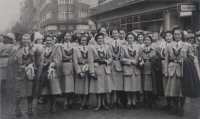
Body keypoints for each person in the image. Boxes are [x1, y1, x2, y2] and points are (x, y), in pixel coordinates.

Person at [164, 27, 196, 116]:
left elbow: (192, 57)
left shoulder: (187, 45)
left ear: (181, 35)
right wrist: (166, 71)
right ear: (173, 35)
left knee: (182, 91)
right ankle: (175, 107)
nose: (177, 36)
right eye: (175, 34)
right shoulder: (169, 46)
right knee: (173, 90)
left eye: (178, 34)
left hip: (183, 70)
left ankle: (181, 108)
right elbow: (166, 60)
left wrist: (182, 61)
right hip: (172, 70)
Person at [8, 34, 36, 116]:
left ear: (30, 40)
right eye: (24, 39)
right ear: (20, 40)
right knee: (19, 92)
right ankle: (17, 109)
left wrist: (31, 65)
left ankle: (30, 108)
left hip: (30, 73)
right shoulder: (15, 50)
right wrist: (21, 66)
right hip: (19, 74)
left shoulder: (33, 49)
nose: (26, 41)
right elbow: (11, 62)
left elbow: (36, 61)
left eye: (27, 39)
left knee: (30, 92)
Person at [36, 35, 62, 113]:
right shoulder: (41, 49)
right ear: (45, 41)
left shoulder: (56, 49)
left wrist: (53, 64)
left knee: (53, 89)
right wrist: (42, 64)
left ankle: (53, 105)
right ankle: (48, 104)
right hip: (44, 71)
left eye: (50, 40)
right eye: (47, 40)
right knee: (45, 89)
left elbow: (58, 58)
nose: (49, 42)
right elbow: (38, 59)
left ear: (53, 41)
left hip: (53, 71)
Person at [89, 33, 112, 111]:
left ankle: (103, 103)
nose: (100, 40)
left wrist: (106, 61)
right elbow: (90, 61)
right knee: (98, 88)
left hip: (105, 69)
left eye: (102, 38)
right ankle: (98, 104)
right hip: (97, 69)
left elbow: (110, 58)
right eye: (99, 38)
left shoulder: (107, 47)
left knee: (105, 87)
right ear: (96, 39)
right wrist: (92, 72)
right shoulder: (92, 48)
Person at [121, 32, 143, 109]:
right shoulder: (123, 47)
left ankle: (134, 101)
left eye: (131, 38)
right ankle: (128, 101)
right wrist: (131, 61)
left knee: (135, 86)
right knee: (128, 87)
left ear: (134, 38)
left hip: (136, 69)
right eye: (128, 38)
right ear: (126, 39)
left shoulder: (139, 46)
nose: (130, 39)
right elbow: (122, 58)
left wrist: (139, 61)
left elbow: (141, 56)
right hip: (128, 68)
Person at [73, 35, 95, 110]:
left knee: (88, 87)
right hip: (80, 68)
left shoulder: (90, 48)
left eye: (85, 40)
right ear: (79, 41)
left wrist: (91, 72)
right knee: (81, 87)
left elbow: (91, 60)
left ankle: (87, 103)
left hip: (88, 69)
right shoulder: (76, 49)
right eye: (82, 40)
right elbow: (75, 62)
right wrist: (79, 72)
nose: (84, 41)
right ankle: (82, 103)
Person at [141, 35, 160, 109]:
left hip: (152, 69)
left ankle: (153, 101)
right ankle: (147, 101)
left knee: (153, 85)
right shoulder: (142, 49)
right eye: (145, 39)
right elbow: (139, 57)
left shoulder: (155, 48)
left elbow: (159, 57)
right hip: (145, 68)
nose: (146, 41)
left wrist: (154, 59)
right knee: (146, 85)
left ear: (151, 41)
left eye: (148, 40)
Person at [60, 31, 77, 111]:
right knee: (65, 85)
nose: (67, 37)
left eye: (68, 36)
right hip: (65, 66)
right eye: (66, 36)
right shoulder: (60, 46)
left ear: (71, 37)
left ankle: (71, 102)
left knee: (72, 85)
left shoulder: (75, 46)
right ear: (63, 37)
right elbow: (60, 57)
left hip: (73, 66)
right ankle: (65, 102)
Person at [108, 28, 124, 108]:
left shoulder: (123, 42)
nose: (115, 34)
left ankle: (118, 100)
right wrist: (112, 57)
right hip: (111, 65)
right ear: (111, 34)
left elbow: (123, 53)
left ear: (118, 34)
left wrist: (118, 57)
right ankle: (111, 101)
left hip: (119, 65)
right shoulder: (108, 43)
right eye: (113, 33)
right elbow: (108, 52)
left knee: (119, 84)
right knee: (111, 84)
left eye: (116, 33)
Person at [159, 31, 173, 110]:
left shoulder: (174, 44)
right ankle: (168, 102)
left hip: (172, 65)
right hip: (164, 64)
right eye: (166, 36)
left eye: (169, 35)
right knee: (165, 85)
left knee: (172, 84)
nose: (168, 37)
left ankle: (174, 103)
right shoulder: (162, 45)